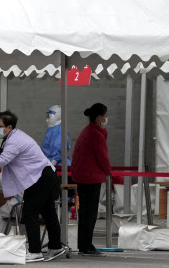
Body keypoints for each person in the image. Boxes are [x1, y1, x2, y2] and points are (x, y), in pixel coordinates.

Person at [0, 110, 65, 263]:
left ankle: (35, 251)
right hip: (40, 176)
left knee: (29, 212)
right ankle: (55, 247)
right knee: (47, 212)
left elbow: (4, 159)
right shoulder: (13, 136)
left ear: (9, 127)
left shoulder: (14, 140)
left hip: (41, 177)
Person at [71, 103, 111, 257]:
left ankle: (84, 244)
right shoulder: (95, 135)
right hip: (90, 178)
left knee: (85, 213)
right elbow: (103, 157)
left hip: (83, 176)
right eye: (106, 116)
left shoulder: (88, 131)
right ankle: (86, 245)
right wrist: (109, 173)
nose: (107, 119)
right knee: (90, 214)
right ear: (100, 117)